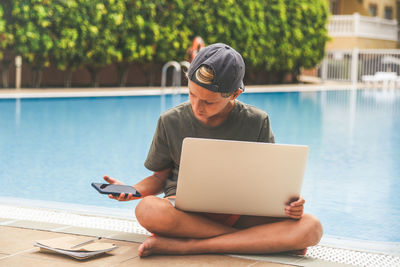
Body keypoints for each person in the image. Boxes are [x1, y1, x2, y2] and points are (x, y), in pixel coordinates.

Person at [103, 43, 323, 257]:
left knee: (312, 227)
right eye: (192, 94)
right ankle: (257, 241)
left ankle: (188, 247)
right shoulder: (170, 121)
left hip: (239, 213)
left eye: (208, 102)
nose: (197, 107)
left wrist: (292, 204)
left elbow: (269, 183)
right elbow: (160, 177)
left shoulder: (257, 121)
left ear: (234, 94)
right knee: (147, 209)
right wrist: (132, 191)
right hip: (185, 214)